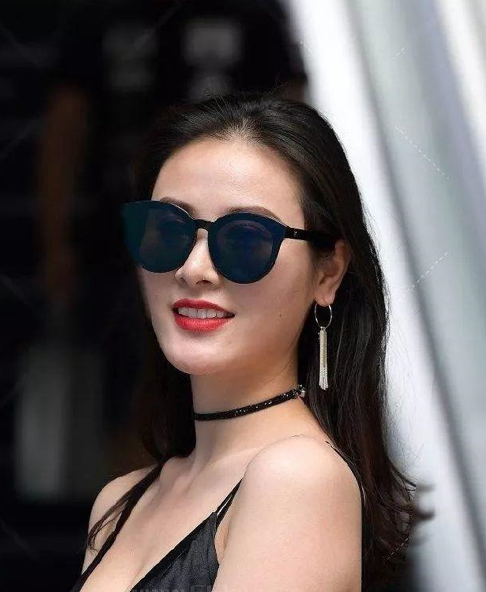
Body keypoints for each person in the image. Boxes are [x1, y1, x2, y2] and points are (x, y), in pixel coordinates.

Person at [69, 91, 429, 592]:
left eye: (244, 239)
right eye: (167, 230)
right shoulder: (120, 502)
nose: (194, 269)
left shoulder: (299, 478)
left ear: (328, 271)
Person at [36, 0, 308, 475]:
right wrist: (55, 244)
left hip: (240, 240)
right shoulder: (98, 14)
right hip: (124, 245)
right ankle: (152, 509)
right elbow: (65, 126)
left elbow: (297, 127)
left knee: (237, 390)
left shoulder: (253, 13)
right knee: (135, 398)